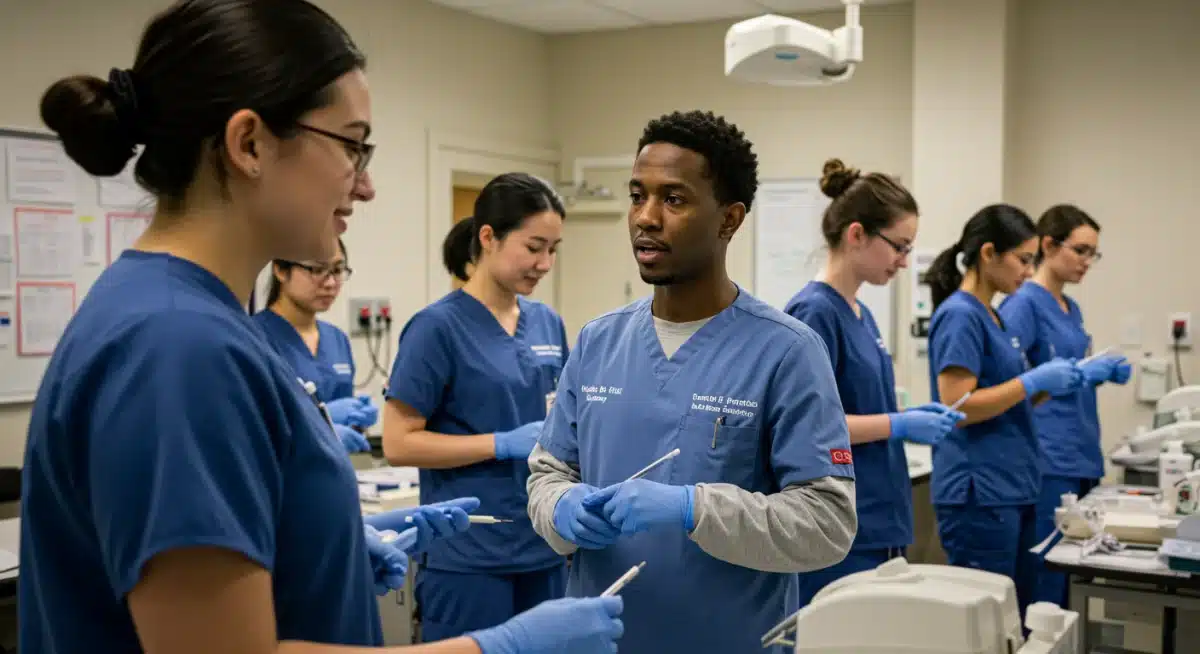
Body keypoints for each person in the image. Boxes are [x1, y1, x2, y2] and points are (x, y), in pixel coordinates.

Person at [19, 2, 623, 653]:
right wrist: (496, 648)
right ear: (249, 143)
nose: (364, 187)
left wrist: (321, 548)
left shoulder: (185, 316)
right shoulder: (177, 346)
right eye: (351, 146)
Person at [525, 110, 859, 653]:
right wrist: (560, 508)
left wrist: (693, 508)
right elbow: (548, 472)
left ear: (729, 219)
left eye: (673, 199)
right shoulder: (597, 342)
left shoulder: (787, 352)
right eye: (637, 196)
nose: (646, 218)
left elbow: (827, 524)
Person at [382, 172, 571, 642]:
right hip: (468, 555)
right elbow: (398, 443)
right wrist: (500, 443)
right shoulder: (436, 329)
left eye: (553, 249)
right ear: (487, 237)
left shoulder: (548, 323)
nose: (545, 263)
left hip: (543, 545)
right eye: (533, 247)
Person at [784, 159, 965, 606]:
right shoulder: (815, 313)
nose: (906, 262)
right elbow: (811, 430)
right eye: (899, 247)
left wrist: (905, 417)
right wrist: (899, 425)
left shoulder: (860, 313)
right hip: (843, 525)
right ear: (857, 234)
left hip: (880, 519)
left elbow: (863, 407)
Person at [924, 203, 1085, 617]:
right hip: (979, 489)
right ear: (989, 252)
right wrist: (1030, 381)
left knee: (1014, 615)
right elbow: (958, 404)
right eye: (1023, 260)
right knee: (986, 619)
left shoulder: (991, 314)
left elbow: (1007, 397)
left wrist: (1054, 383)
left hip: (1010, 484)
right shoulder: (960, 314)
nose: (1029, 272)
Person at [998, 204, 1130, 607]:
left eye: (1094, 253)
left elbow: (1073, 372)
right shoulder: (1022, 305)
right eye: (1080, 250)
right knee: (1044, 583)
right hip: (1047, 460)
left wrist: (1097, 371)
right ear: (1049, 245)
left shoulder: (1072, 309)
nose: (1087, 262)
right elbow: (1008, 380)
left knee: (1073, 581)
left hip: (1081, 455)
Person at [255, 236, 377, 454]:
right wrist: (316, 422)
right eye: (317, 270)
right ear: (281, 270)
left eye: (337, 271)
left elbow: (343, 415)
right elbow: (252, 424)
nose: (330, 283)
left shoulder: (337, 339)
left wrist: (358, 416)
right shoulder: (255, 336)